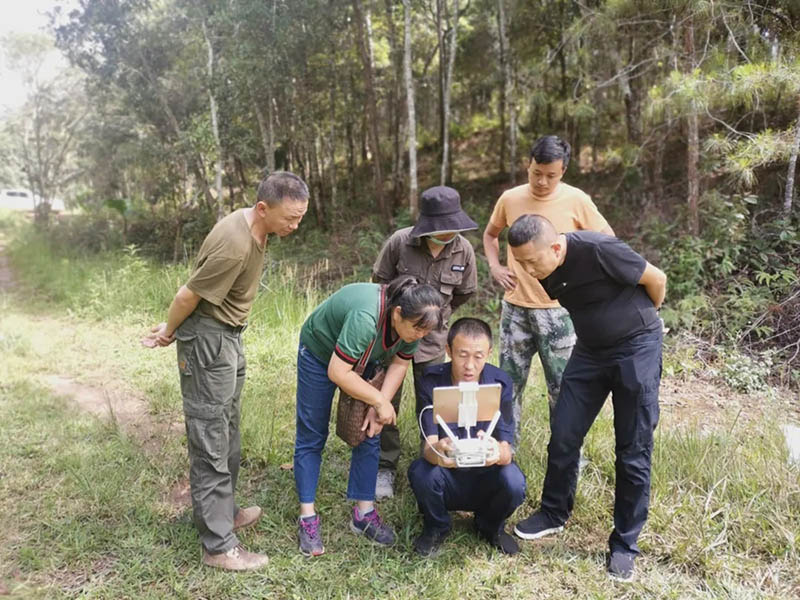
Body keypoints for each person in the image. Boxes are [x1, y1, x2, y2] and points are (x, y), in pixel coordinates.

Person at [141, 171, 309, 571]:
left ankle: (225, 511)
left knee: (228, 429)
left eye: (301, 217)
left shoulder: (256, 225)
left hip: (228, 337)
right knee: (211, 439)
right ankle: (218, 545)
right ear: (264, 208)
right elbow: (188, 295)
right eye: (290, 218)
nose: (295, 226)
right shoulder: (234, 245)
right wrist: (168, 332)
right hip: (208, 341)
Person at [506, 214, 667, 582]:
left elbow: (656, 279)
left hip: (636, 347)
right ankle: (554, 512)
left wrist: (647, 324)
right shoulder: (542, 266)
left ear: (557, 246)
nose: (530, 271)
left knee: (633, 448)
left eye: (533, 261)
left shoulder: (599, 249)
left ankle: (624, 544)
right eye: (522, 263)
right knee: (564, 432)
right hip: (590, 351)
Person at [294, 276, 444, 557]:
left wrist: (381, 405)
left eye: (425, 333)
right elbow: (338, 372)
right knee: (312, 433)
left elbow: (400, 363)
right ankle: (307, 517)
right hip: (321, 353)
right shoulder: (366, 318)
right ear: (397, 313)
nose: (419, 337)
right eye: (417, 330)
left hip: (364, 357)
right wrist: (378, 399)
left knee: (372, 430)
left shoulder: (413, 326)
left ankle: (363, 513)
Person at [483, 135, 614, 439]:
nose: (542, 182)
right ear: (528, 166)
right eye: (536, 173)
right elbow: (491, 235)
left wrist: (587, 285)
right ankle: (503, 450)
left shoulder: (577, 200)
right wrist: (495, 266)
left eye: (551, 176)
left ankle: (567, 454)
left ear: (563, 171)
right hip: (515, 309)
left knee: (564, 387)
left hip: (559, 312)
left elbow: (607, 242)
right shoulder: (510, 198)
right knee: (508, 386)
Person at [371, 186, 478, 499]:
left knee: (432, 405)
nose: (448, 235)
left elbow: (465, 292)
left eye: (452, 229)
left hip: (432, 344)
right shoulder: (399, 243)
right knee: (386, 402)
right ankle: (385, 467)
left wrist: (437, 320)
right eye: (440, 230)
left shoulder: (464, 251)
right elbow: (379, 285)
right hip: (393, 340)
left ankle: (429, 464)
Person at [408, 317, 526, 557]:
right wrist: (440, 452)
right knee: (420, 472)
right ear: (448, 350)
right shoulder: (431, 381)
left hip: (485, 472)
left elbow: (506, 449)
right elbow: (428, 447)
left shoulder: (500, 382)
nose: (470, 365)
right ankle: (437, 526)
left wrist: (495, 451)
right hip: (448, 474)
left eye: (479, 356)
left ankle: (490, 526)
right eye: (462, 355)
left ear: (489, 353)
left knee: (514, 481)